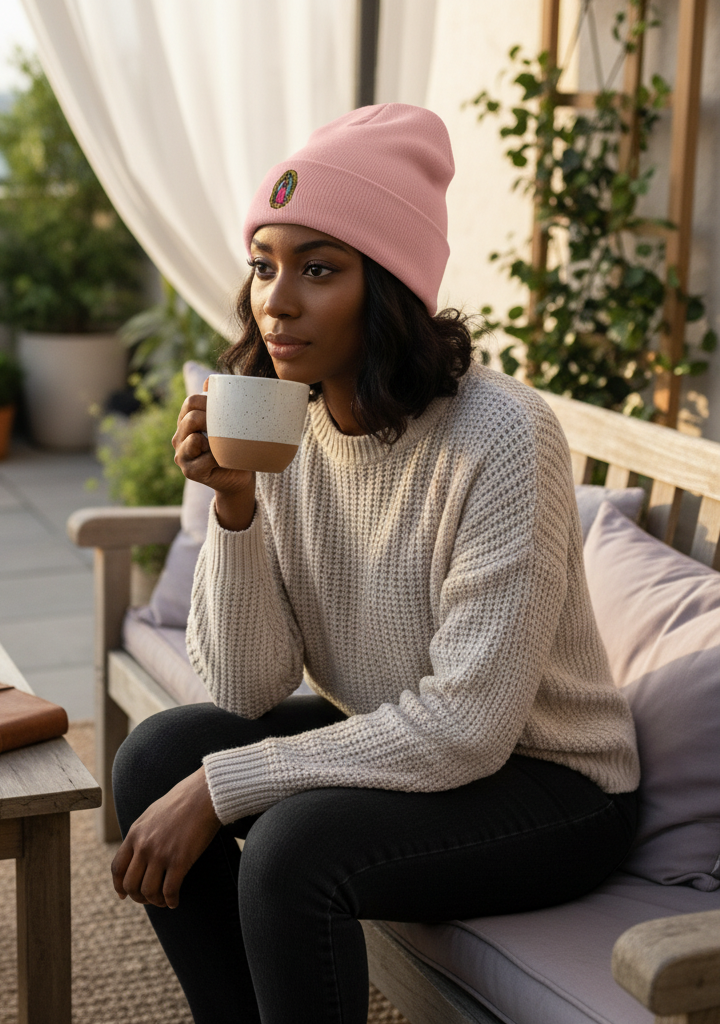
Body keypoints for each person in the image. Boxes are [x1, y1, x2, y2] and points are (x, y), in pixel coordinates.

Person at [109, 104, 640, 1024]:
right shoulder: (286, 415)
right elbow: (245, 687)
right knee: (158, 756)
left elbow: (470, 726)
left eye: (320, 269)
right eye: (265, 266)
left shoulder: (502, 436)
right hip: (407, 736)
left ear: (388, 285)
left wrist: (225, 785)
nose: (278, 300)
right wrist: (235, 508)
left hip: (551, 783)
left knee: (288, 849)